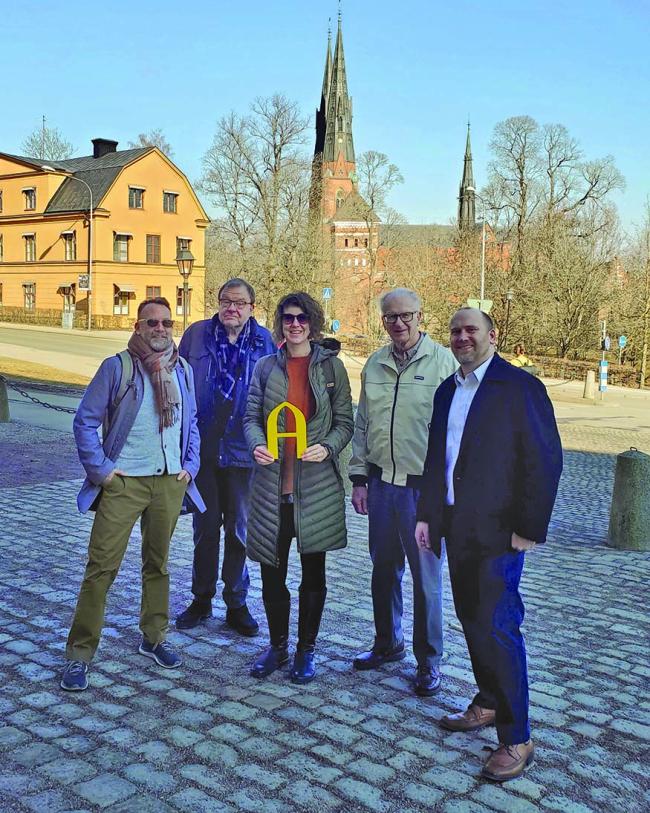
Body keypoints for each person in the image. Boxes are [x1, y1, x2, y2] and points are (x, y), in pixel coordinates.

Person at [415, 307, 562, 781]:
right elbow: (437, 459)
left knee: (499, 627)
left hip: (501, 532)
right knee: (471, 619)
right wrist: (427, 517)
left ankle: (517, 736)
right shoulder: (447, 390)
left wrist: (529, 527)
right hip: (457, 528)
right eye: (455, 330)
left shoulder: (520, 389)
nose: (461, 337)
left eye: (470, 330)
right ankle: (489, 699)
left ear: (492, 336)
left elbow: (544, 461)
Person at [61, 297, 204, 692]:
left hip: (169, 482)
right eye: (151, 323)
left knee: (158, 565)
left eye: (166, 323)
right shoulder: (118, 367)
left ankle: (154, 637)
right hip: (124, 483)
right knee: (101, 568)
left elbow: (191, 423)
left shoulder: (184, 370)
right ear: (138, 327)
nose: (160, 329)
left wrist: (190, 466)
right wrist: (102, 473)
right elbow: (85, 422)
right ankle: (79, 653)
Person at [349, 288, 457, 696]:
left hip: (421, 492)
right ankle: (387, 642)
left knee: (426, 579)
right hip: (380, 487)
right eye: (391, 317)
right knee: (383, 570)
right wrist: (358, 478)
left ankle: (429, 660)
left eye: (406, 315)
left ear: (420, 314)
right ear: (382, 321)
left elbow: (454, 432)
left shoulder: (443, 362)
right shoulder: (374, 364)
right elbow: (363, 425)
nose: (399, 323)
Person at [243, 291, 353, 684]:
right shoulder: (265, 367)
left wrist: (328, 447)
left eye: (302, 319)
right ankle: (277, 645)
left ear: (313, 323)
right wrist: (257, 443)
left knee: (313, 573)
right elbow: (251, 416)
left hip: (316, 488)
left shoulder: (331, 370)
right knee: (272, 572)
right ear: (279, 322)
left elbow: (345, 423)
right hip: (273, 485)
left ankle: (306, 649)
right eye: (288, 318)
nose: (294, 325)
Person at [175, 278, 275, 635]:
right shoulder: (197, 335)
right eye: (225, 301)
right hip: (203, 450)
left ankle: (236, 601)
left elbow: (275, 394)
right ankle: (201, 599)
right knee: (205, 529)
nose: (231, 308)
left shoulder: (264, 341)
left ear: (251, 307)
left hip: (245, 453)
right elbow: (178, 381)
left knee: (239, 530)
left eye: (239, 302)